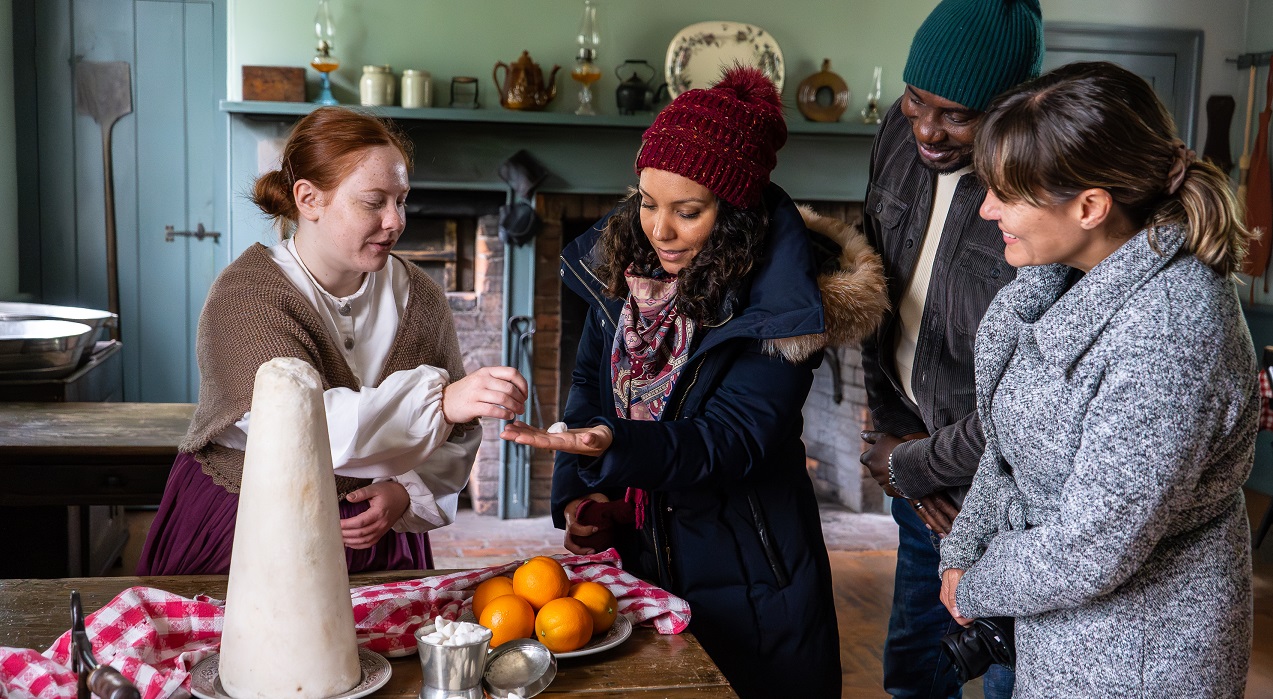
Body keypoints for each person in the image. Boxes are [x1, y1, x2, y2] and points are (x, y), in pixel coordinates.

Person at [501, 67, 888, 698]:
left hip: (750, 568)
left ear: (734, 213)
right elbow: (587, 384)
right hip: (639, 549)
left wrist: (612, 445)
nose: (659, 229)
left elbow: (732, 438)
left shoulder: (786, 302)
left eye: (687, 212)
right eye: (648, 201)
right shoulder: (626, 269)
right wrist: (581, 497)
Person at [936, 60, 1257, 698]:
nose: (987, 211)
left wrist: (975, 583)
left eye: (1006, 192)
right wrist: (962, 551)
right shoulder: (1062, 279)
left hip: (1139, 657)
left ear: (1090, 206)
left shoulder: (1171, 327)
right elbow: (1009, 455)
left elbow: (1094, 543)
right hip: (1067, 640)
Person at [137, 107, 527, 575]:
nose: (396, 220)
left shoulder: (419, 296)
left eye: (401, 200)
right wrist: (442, 402)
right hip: (251, 528)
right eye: (374, 202)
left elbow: (457, 435)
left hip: (377, 536)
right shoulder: (246, 297)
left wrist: (407, 492)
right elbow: (305, 425)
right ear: (308, 199)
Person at [856, 0, 1045, 696]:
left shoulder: (1038, 185)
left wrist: (913, 464)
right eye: (915, 99)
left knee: (1007, 678)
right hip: (919, 465)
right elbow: (867, 279)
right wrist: (890, 432)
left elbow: (1031, 394)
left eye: (955, 114)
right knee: (913, 668)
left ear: (1011, 106)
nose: (926, 129)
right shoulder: (898, 137)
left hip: (1005, 494)